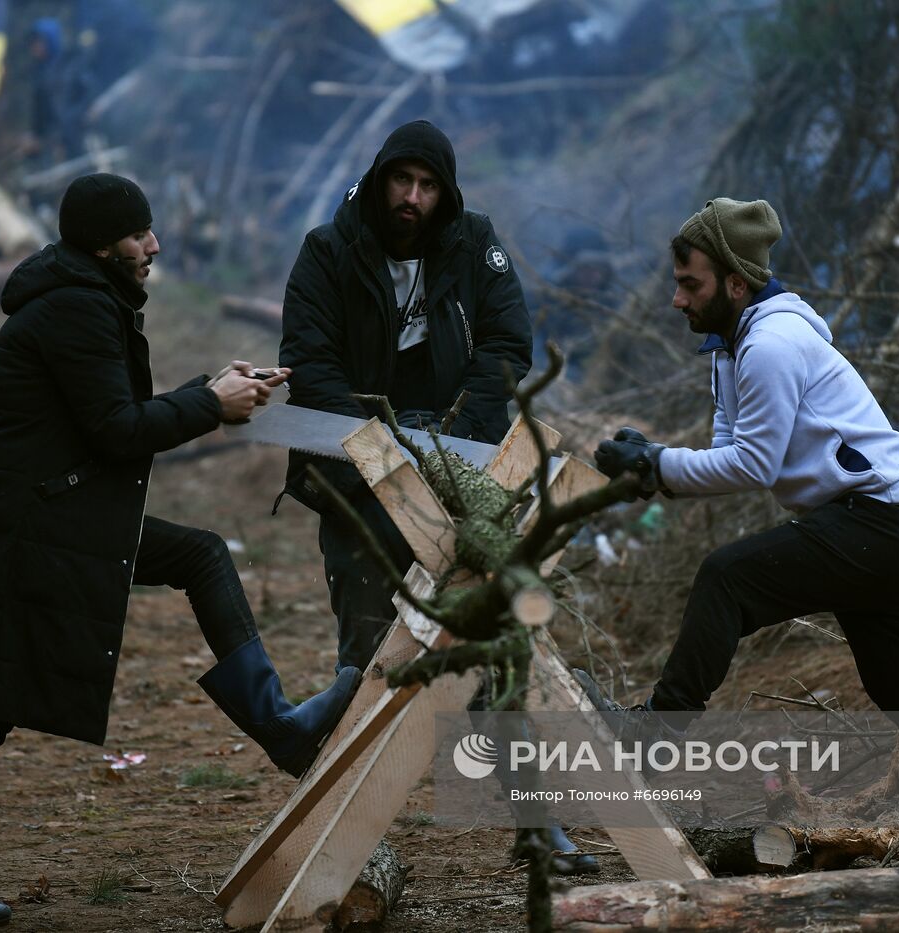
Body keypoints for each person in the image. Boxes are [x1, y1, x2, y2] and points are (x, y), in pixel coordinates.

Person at [0, 173, 362, 932]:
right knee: (195, 561)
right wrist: (210, 407)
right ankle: (279, 725)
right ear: (99, 244)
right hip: (38, 527)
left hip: (42, 514)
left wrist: (213, 388)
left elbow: (109, 411)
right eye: (139, 233)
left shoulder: (79, 296)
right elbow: (117, 429)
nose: (153, 244)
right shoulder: (79, 307)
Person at [578, 197, 899, 870]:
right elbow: (727, 447)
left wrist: (656, 466)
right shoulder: (733, 348)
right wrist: (656, 462)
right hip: (891, 529)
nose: (676, 299)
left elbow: (755, 466)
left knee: (725, 576)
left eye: (690, 284)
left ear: (736, 282)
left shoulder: (771, 344)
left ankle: (651, 735)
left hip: (878, 524)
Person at [278, 120, 597, 874]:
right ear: (381, 179)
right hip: (358, 481)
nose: (412, 199)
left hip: (459, 472)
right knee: (368, 658)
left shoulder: (472, 244)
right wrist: (385, 447)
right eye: (402, 183)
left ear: (444, 194)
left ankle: (535, 822)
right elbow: (307, 363)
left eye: (427, 187)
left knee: (500, 644)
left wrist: (458, 443)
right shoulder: (329, 251)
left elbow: (506, 345)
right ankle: (336, 842)